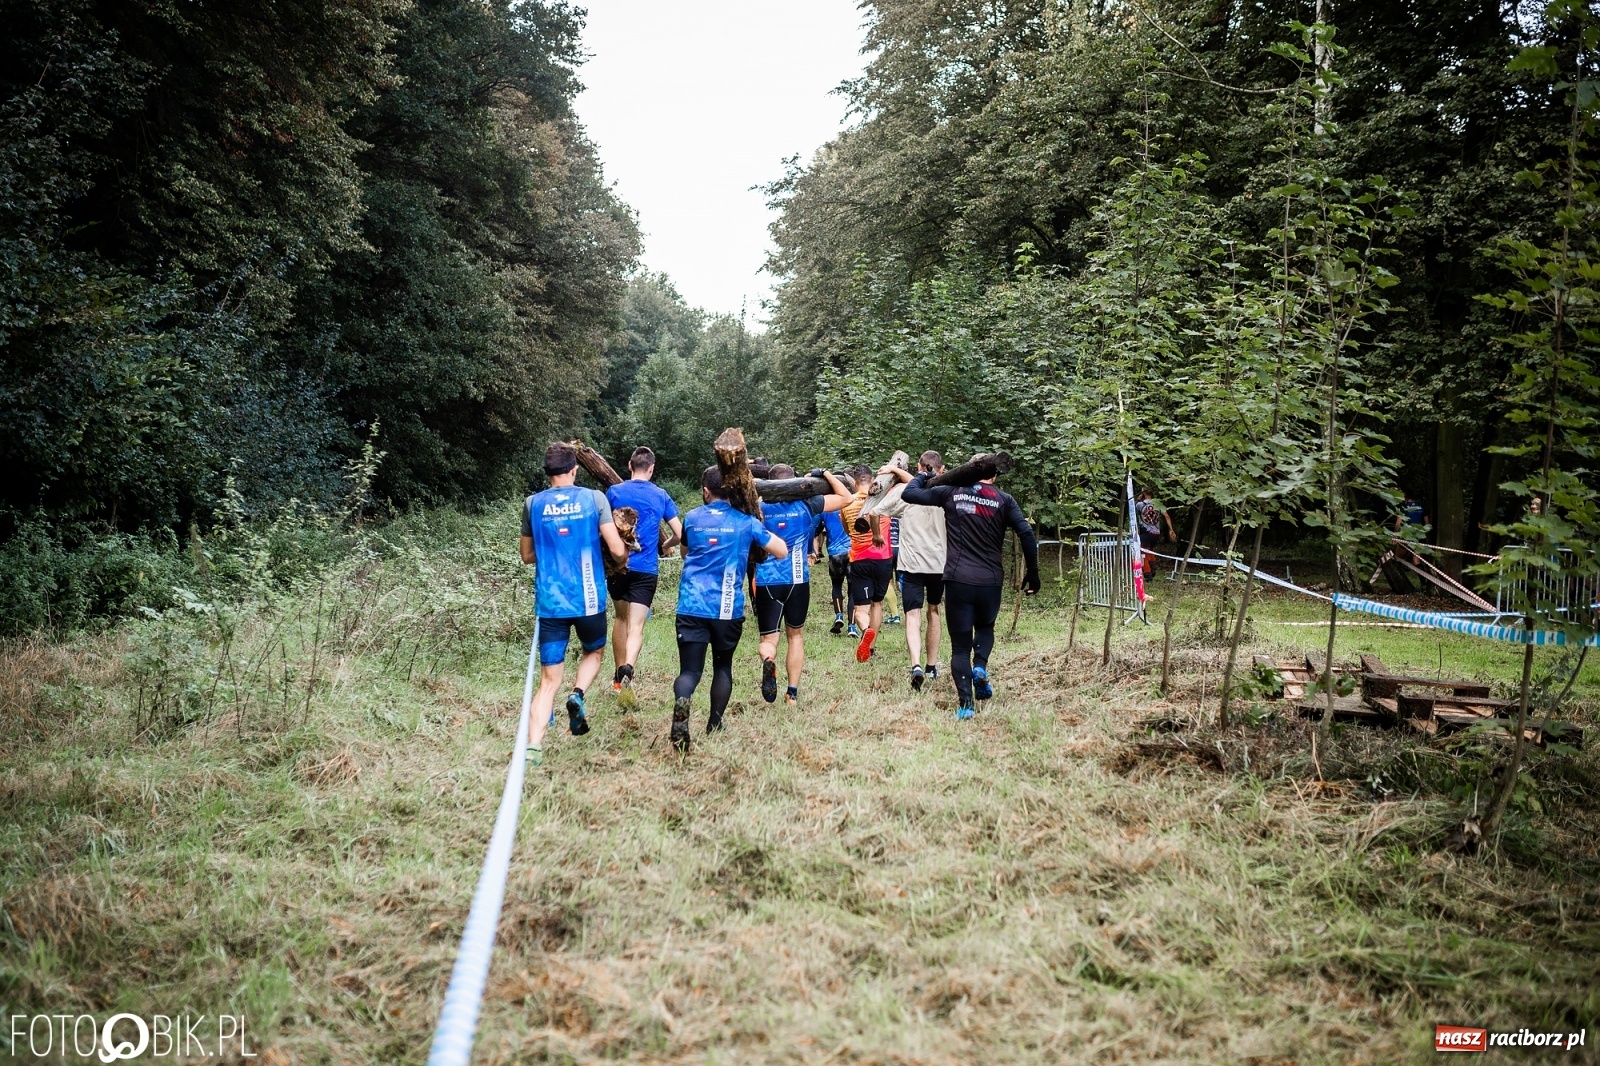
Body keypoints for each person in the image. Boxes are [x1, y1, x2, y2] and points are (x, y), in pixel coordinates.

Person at [519, 442, 628, 768]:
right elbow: (617, 549)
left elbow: (526, 556)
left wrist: (554, 549)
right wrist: (620, 552)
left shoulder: (532, 504)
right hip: (589, 600)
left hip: (551, 604)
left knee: (548, 680)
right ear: (575, 469)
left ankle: (534, 746)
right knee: (593, 652)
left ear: (547, 472)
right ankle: (578, 694)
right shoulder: (594, 499)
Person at [903, 462, 1041, 720]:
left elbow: (909, 494)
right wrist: (1032, 573)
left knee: (959, 647)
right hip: (990, 581)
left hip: (958, 580)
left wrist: (923, 475)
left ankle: (966, 704)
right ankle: (980, 666)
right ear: (995, 475)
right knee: (986, 628)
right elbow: (1026, 534)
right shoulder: (1005, 500)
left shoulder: (950, 492)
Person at [670, 465, 788, 753]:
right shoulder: (745, 522)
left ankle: (683, 701)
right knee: (722, 666)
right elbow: (781, 550)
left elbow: (685, 552)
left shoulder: (693, 518)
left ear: (705, 491)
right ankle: (715, 722)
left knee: (690, 671)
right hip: (727, 609)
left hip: (691, 607)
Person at [754, 465, 851, 705]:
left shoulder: (759, 509)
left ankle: (768, 661)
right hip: (797, 580)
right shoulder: (807, 504)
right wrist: (825, 473)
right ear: (796, 484)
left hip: (766, 580)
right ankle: (792, 694)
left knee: (769, 640)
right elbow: (845, 497)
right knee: (795, 636)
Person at [605, 446, 684, 709]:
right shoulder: (660, 495)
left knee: (620, 618)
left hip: (618, 566)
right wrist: (667, 544)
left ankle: (618, 680)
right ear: (651, 468)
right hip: (646, 569)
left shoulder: (615, 491)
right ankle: (629, 667)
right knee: (637, 625)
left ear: (629, 465)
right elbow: (681, 534)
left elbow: (604, 528)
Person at [877, 451, 949, 691]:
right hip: (938, 564)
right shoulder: (949, 491)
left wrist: (877, 535)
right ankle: (931, 666)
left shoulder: (902, 493)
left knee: (912, 615)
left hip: (911, 565)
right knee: (934, 611)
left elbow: (874, 511)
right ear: (942, 469)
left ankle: (915, 664)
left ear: (918, 467)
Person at [840, 464, 895, 661]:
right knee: (877, 604)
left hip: (860, 560)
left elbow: (847, 531)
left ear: (855, 483)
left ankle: (865, 631)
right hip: (883, 558)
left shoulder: (848, 502)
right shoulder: (885, 499)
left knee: (861, 608)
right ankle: (871, 647)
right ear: (873, 481)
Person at [816, 506, 853, 634]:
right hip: (851, 552)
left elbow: (815, 528)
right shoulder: (852, 504)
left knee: (836, 585)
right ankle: (852, 627)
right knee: (852, 590)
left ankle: (839, 616)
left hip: (835, 553)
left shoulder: (826, 508)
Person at [1134, 487, 1175, 578]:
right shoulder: (1158, 504)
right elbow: (1167, 516)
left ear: (1143, 494)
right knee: (1150, 550)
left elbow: (1133, 514)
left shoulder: (1140, 504)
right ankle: (1153, 565)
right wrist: (1171, 529)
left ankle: (1147, 573)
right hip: (1156, 534)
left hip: (1146, 532)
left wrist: (1138, 500)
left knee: (1142, 552)